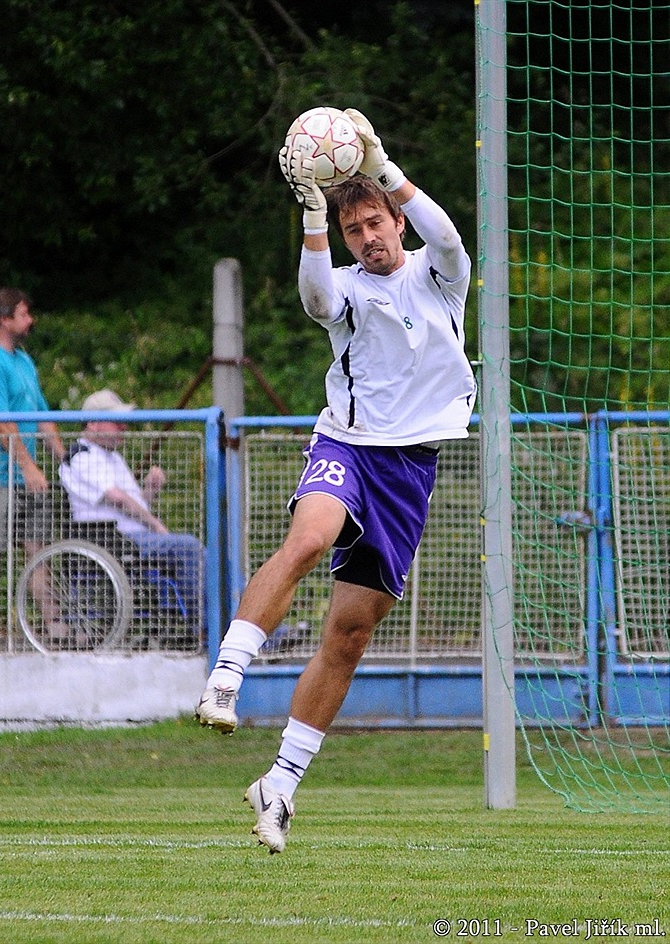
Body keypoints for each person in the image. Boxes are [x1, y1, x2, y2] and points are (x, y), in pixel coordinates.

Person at [194, 109, 477, 854]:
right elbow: (317, 301)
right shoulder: (346, 287)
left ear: (394, 219)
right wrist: (314, 219)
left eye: (376, 223)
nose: (370, 239)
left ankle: (279, 786)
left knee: (349, 636)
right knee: (310, 538)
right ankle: (226, 675)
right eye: (355, 232)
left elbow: (447, 237)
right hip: (347, 446)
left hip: (408, 469)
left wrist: (384, 168)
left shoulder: (439, 277)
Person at [58, 389, 206, 641]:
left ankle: (259, 631)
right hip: (111, 541)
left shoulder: (111, 456)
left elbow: (133, 505)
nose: (123, 426)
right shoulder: (80, 457)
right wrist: (156, 524)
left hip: (131, 537)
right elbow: (117, 499)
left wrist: (149, 490)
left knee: (213, 556)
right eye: (116, 422)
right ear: (93, 423)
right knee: (188, 547)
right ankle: (208, 629)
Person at [0, 287, 67, 649]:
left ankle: (55, 625)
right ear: (5, 318)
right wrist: (28, 467)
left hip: (27, 473)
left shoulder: (23, 359)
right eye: (24, 314)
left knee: (39, 548)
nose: (31, 320)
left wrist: (63, 458)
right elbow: (0, 422)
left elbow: (40, 412)